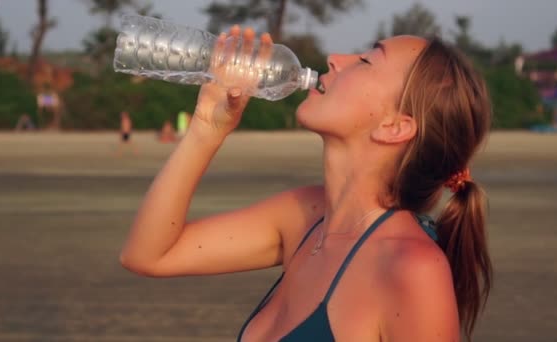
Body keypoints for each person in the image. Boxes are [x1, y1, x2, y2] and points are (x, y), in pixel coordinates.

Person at [120, 26, 492, 341]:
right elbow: (149, 255)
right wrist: (207, 129)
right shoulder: (305, 216)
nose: (335, 58)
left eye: (365, 61)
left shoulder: (412, 269)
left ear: (395, 127)